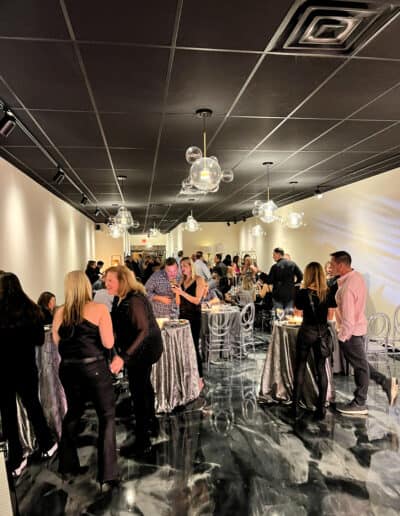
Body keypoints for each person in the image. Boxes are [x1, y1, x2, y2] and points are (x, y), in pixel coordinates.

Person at [52, 271, 118, 488]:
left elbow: (56, 342)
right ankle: (107, 473)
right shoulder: (99, 309)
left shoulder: (60, 312)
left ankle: (67, 464)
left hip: (69, 369)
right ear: (88, 287)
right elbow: (108, 344)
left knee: (73, 413)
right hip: (94, 368)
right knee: (106, 415)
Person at [0, 273, 57, 477]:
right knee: (33, 406)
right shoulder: (32, 310)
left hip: (3, 370)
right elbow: (40, 341)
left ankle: (16, 458)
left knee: (7, 416)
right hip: (25, 367)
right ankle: (47, 443)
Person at [329, 251, 398, 415]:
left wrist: (342, 337)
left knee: (360, 368)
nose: (330, 267)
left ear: (341, 265)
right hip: (357, 331)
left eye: (332, 264)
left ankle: (360, 402)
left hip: (351, 333)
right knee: (362, 365)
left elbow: (348, 317)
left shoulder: (347, 287)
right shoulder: (357, 277)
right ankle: (386, 383)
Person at [105, 266, 163, 456]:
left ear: (122, 281)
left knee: (139, 392)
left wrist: (123, 357)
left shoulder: (135, 299)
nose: (106, 283)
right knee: (144, 387)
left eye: (110, 280)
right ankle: (151, 424)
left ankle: (143, 441)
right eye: (106, 280)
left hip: (143, 351)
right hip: (138, 350)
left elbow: (143, 331)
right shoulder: (120, 298)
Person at [292, 262, 336, 420]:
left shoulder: (302, 292)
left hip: (306, 332)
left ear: (308, 274)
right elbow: (331, 316)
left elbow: (297, 313)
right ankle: (321, 408)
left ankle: (295, 407)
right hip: (322, 333)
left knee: (300, 367)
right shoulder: (328, 292)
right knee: (321, 369)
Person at [172, 257, 205, 387]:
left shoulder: (199, 280)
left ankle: (200, 378)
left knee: (194, 347)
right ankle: (189, 376)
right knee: (185, 348)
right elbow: (179, 302)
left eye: (185, 266)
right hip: (183, 316)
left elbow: (197, 300)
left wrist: (181, 292)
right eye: (181, 266)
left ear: (191, 266)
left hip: (194, 317)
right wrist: (176, 292)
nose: (183, 268)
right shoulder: (182, 281)